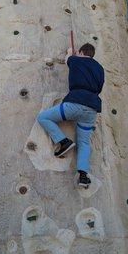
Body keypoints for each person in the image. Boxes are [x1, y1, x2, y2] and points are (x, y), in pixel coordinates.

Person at [37, 43, 104, 188]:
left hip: (75, 103)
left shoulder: (76, 60)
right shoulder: (100, 69)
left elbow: (68, 58)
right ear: (92, 54)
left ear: (81, 52)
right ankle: (83, 176)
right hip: (92, 109)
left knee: (43, 117)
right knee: (84, 143)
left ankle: (63, 141)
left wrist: (70, 52)